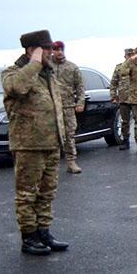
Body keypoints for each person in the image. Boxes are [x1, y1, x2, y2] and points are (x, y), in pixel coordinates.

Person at [1, 30, 69, 256]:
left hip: (50, 143)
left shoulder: (48, 74)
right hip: (28, 143)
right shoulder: (14, 73)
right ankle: (29, 237)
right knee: (27, 193)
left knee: (47, 192)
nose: (52, 52)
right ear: (33, 50)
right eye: (47, 48)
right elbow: (17, 88)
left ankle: (43, 232)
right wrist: (34, 63)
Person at [51, 40, 85, 174]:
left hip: (68, 106)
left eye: (61, 49)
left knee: (69, 135)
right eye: (56, 49)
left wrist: (80, 102)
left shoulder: (72, 67)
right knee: (51, 137)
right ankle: (51, 165)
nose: (59, 52)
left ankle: (71, 162)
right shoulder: (47, 67)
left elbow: (80, 87)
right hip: (51, 107)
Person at [110, 47, 135, 150]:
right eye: (128, 55)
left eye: (132, 55)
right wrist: (113, 96)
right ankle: (125, 141)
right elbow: (113, 83)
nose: (130, 57)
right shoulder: (119, 68)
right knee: (125, 121)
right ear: (125, 56)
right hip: (124, 99)